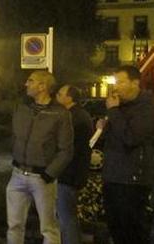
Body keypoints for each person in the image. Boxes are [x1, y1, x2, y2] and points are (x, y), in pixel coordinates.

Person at [0, 62, 73, 244]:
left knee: (48, 228)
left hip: (42, 177)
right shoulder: (21, 107)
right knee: (14, 225)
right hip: (17, 175)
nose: (26, 84)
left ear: (42, 86)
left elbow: (66, 150)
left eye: (30, 81)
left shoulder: (60, 114)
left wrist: (49, 174)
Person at [96, 66, 154, 244]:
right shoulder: (120, 106)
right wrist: (104, 128)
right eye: (115, 82)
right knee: (115, 226)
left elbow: (131, 138)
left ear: (135, 83)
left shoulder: (147, 107)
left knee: (132, 229)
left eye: (121, 82)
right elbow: (115, 137)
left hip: (132, 179)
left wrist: (114, 112)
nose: (116, 87)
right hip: (113, 175)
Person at [55, 85, 92, 244]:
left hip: (68, 174)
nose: (57, 96)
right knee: (67, 215)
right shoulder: (76, 115)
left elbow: (70, 148)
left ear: (69, 98)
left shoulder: (73, 118)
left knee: (66, 216)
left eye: (60, 94)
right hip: (71, 173)